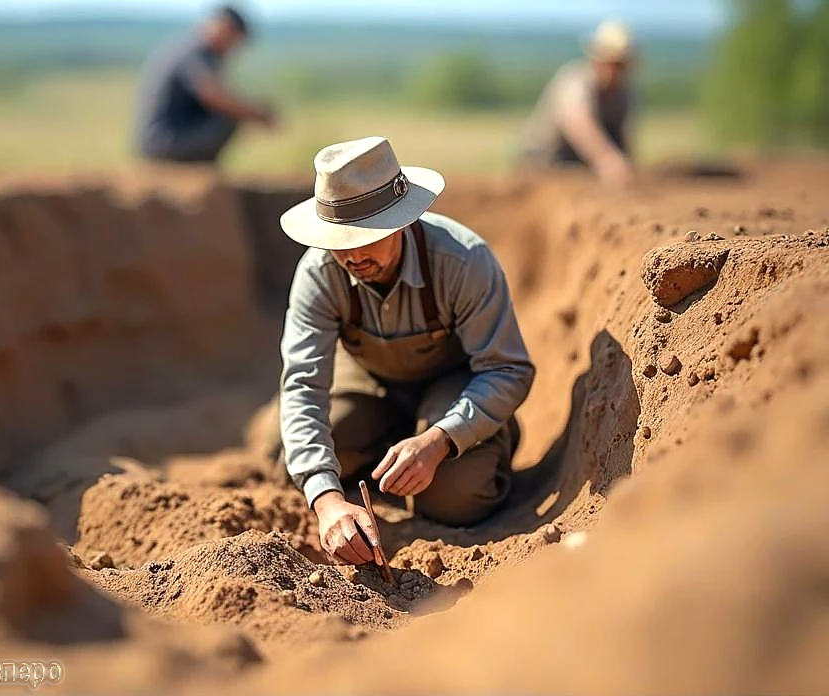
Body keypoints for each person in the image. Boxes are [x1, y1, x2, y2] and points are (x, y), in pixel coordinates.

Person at [269, 136, 536, 566]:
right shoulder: (318, 275)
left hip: (450, 388)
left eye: (368, 236)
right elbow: (303, 386)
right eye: (340, 239)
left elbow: (508, 370)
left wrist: (439, 440)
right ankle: (387, 444)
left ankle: (490, 436)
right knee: (290, 461)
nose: (353, 254)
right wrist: (327, 501)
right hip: (368, 383)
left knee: (457, 499)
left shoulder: (464, 261)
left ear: (403, 221)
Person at [133, 5, 276, 164]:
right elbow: (213, 95)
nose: (232, 48)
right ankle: (198, 171)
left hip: (168, 137)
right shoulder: (194, 53)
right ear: (223, 28)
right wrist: (258, 114)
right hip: (162, 143)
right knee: (229, 117)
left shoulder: (193, 50)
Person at [517, 19, 638, 186]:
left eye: (620, 64)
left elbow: (624, 138)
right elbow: (578, 122)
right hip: (545, 161)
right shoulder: (576, 82)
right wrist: (607, 160)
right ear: (597, 58)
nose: (615, 71)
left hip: (581, 167)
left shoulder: (623, 95)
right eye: (611, 62)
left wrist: (625, 166)